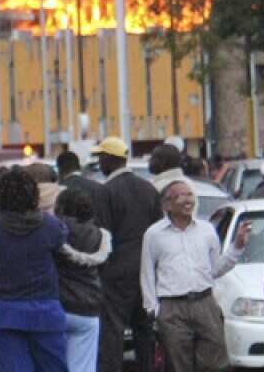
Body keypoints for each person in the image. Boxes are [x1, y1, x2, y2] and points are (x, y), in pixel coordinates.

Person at [0, 166, 68, 372]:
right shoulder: (51, 226)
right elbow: (61, 240)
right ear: (34, 195)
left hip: (2, 311)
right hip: (45, 310)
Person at [141, 180, 250, 372]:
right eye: (180, 195)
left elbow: (215, 270)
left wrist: (237, 246)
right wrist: (153, 310)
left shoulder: (206, 230)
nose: (187, 200)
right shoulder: (154, 234)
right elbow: (147, 273)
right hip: (172, 308)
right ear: (167, 205)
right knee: (178, 363)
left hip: (205, 303)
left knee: (214, 362)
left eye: (190, 195)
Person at [94, 136, 162, 372]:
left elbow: (103, 234)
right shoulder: (149, 189)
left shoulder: (105, 192)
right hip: (146, 270)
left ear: (109, 159)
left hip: (116, 271)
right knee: (144, 329)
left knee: (113, 331)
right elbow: (158, 230)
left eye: (100, 158)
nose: (99, 164)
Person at [54, 187, 112, 372]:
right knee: (83, 366)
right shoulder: (100, 236)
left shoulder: (55, 231)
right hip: (88, 306)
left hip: (57, 303)